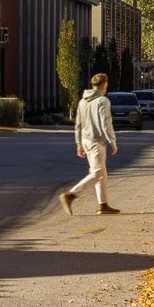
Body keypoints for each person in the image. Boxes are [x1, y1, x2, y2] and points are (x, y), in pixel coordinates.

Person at [59, 71, 120, 216]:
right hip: (96, 141)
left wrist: (78, 143)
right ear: (104, 86)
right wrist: (112, 141)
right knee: (97, 172)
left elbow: (78, 124)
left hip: (86, 140)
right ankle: (70, 195)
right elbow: (106, 123)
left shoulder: (83, 101)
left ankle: (103, 204)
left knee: (101, 173)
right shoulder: (102, 101)